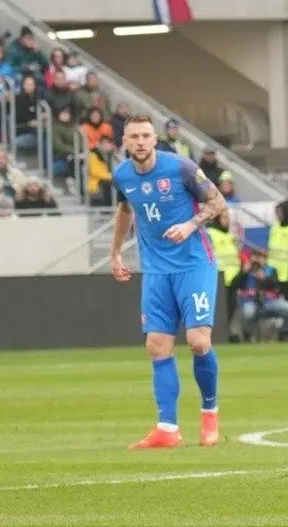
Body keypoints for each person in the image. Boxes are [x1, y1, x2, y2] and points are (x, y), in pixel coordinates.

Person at [109, 115, 227, 450]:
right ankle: (167, 428)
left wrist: (190, 225)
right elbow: (125, 211)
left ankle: (209, 415)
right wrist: (116, 253)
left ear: (155, 139)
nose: (141, 142)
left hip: (194, 264)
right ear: (125, 141)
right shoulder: (122, 175)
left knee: (198, 341)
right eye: (135, 137)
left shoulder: (182, 168)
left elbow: (216, 202)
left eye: (147, 135)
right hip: (156, 270)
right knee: (156, 346)